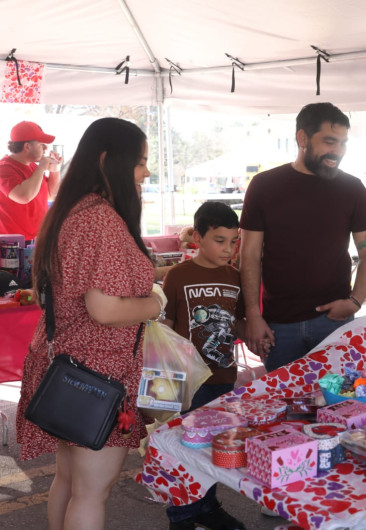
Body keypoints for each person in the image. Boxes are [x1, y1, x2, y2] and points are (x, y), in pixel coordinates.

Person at [16, 118, 166, 529]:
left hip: (73, 369)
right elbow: (105, 309)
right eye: (139, 162)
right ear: (106, 160)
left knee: (70, 481)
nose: (145, 172)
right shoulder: (99, 218)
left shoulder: (77, 209)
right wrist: (155, 303)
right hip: (97, 376)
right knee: (91, 491)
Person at [240, 102, 366, 372]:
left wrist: (354, 302)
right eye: (329, 141)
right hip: (278, 325)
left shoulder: (352, 189)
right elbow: (249, 256)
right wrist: (253, 315)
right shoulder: (264, 186)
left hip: (334, 322)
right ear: (302, 138)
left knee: (338, 397)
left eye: (343, 143)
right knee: (283, 398)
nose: (337, 151)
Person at [161, 201, 246, 530]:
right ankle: (181, 515)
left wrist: (257, 334)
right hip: (188, 380)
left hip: (222, 376)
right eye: (219, 240)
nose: (228, 249)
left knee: (211, 447)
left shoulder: (236, 277)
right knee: (185, 448)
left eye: (233, 241)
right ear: (197, 237)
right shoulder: (177, 276)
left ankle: (207, 507)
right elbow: (167, 325)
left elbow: (238, 323)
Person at [0, 121, 62, 240]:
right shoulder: (3, 168)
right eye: (41, 144)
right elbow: (24, 197)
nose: (45, 149)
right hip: (12, 243)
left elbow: (50, 194)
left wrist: (55, 170)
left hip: (37, 239)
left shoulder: (33, 167)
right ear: (27, 146)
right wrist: (42, 168)